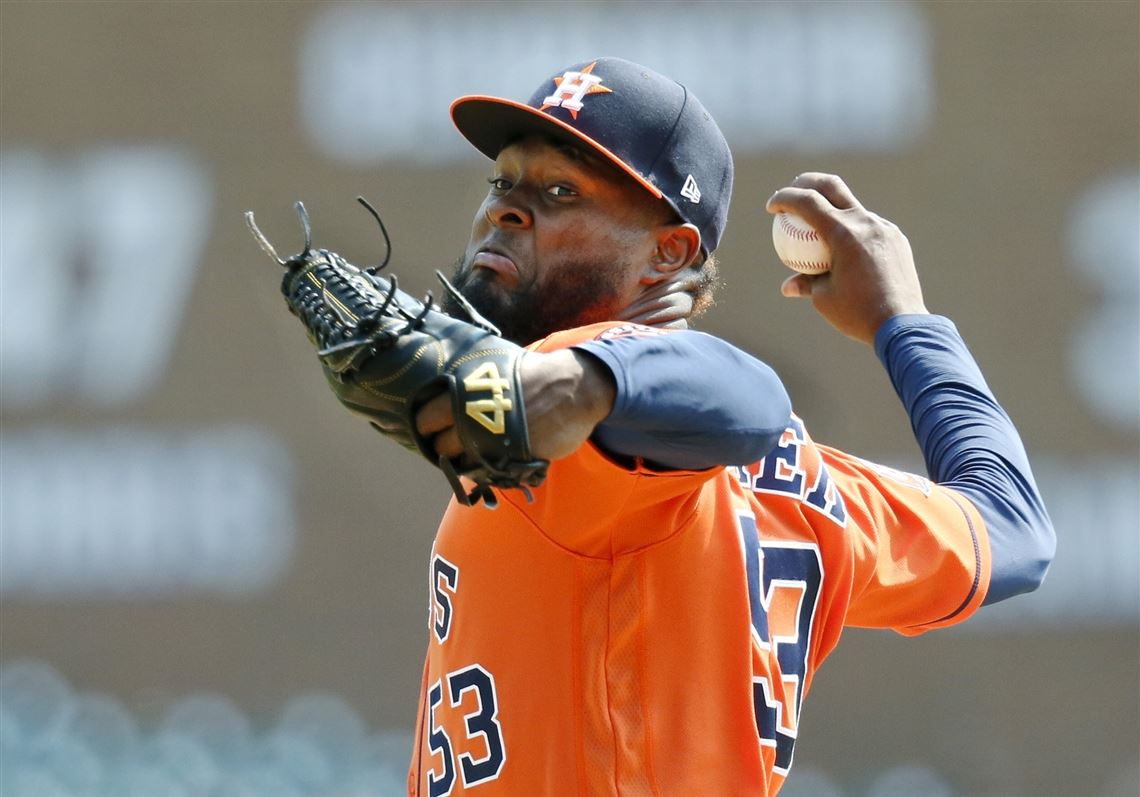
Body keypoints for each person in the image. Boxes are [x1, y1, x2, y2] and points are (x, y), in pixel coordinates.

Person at [405, 58, 1055, 796]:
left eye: (561, 189)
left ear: (668, 254)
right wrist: (904, 324)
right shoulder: (811, 493)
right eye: (503, 181)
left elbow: (745, 395)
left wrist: (578, 381)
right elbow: (1013, 528)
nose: (505, 210)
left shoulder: (579, 402)